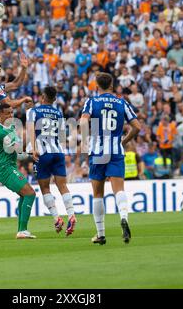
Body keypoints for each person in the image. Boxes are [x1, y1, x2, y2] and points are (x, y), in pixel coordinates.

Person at [80, 72, 141, 245]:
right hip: (115, 150)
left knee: (98, 193)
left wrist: (85, 140)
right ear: (112, 86)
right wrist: (123, 141)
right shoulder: (122, 103)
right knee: (119, 190)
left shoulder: (92, 102)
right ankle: (123, 217)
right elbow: (137, 127)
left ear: (97, 86)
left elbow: (84, 122)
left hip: (98, 151)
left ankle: (100, 234)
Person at [26, 86, 77, 236]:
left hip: (43, 153)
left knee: (45, 188)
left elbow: (30, 131)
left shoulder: (33, 112)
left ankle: (57, 218)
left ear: (42, 96)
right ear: (54, 99)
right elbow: (62, 136)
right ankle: (72, 215)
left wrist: (34, 148)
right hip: (58, 152)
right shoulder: (59, 113)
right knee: (63, 186)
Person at [0, 103, 37, 239]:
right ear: (0, 115)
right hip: (4, 169)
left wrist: (29, 151)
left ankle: (22, 230)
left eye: (12, 113)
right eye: (7, 113)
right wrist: (31, 140)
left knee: (25, 194)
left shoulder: (10, 127)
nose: (11, 116)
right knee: (30, 193)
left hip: (10, 166)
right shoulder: (0, 132)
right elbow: (18, 151)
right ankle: (22, 230)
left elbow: (19, 150)